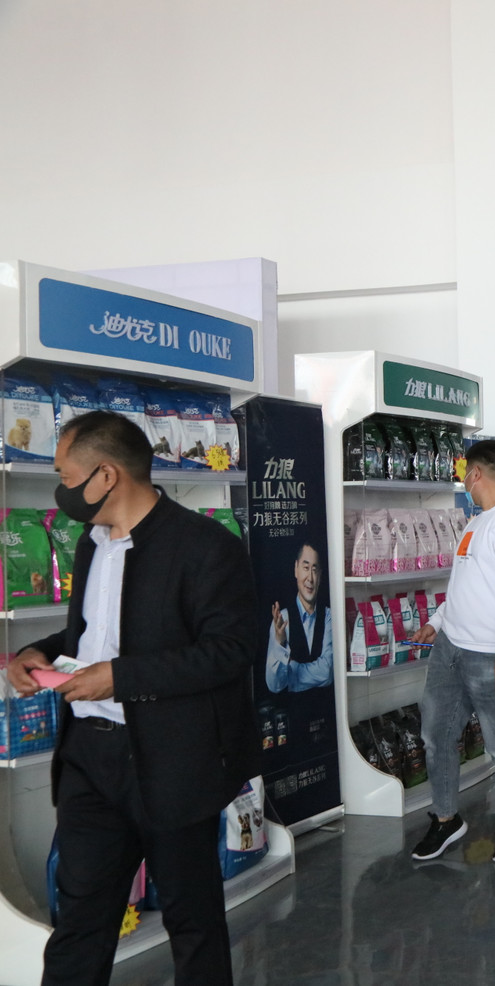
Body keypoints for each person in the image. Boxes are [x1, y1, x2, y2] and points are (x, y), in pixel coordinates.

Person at [4, 410, 262, 986]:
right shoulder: (91, 543)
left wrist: (119, 679)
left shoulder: (206, 547)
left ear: (106, 475)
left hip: (173, 763)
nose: (61, 489)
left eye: (66, 476)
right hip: (89, 761)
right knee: (79, 925)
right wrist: (39, 652)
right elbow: (93, 636)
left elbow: (229, 651)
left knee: (192, 923)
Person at [409, 439, 495, 863]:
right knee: (436, 736)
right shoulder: (478, 521)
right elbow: (465, 584)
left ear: (477, 473)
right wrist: (437, 622)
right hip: (451, 648)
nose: (463, 480)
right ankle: (446, 818)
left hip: (490, 655)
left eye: (464, 473)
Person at [265, 541, 333, 692]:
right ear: (296, 569)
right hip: (291, 707)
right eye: (306, 568)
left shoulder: (329, 617)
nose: (310, 578)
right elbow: (274, 685)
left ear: (320, 576)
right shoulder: (282, 619)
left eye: (314, 570)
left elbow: (327, 673)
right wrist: (280, 643)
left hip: (326, 706)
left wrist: (292, 670)